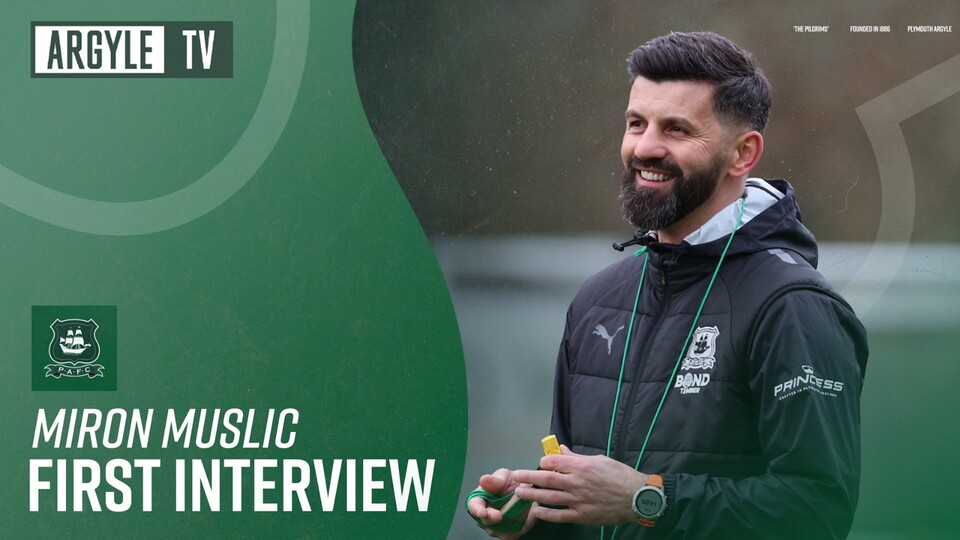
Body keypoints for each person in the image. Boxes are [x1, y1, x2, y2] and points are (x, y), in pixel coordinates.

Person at [466, 31, 868, 539]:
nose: (645, 147)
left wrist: (646, 498)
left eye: (676, 129)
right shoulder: (597, 300)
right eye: (636, 123)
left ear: (742, 154)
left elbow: (817, 512)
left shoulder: (794, 306)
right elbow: (588, 502)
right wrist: (532, 515)